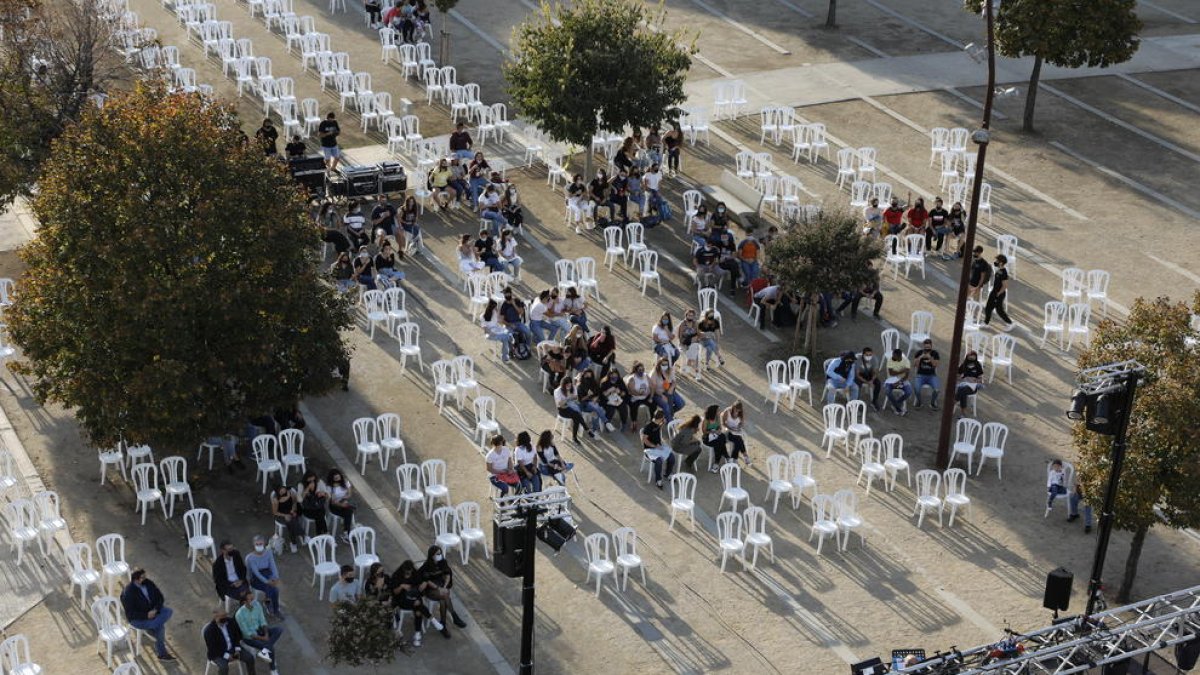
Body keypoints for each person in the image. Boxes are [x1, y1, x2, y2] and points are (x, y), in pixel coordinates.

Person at [120, 569, 176, 661]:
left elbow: (160, 597)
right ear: (136, 580)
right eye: (143, 577)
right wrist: (146, 615)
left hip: (153, 612)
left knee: (168, 611)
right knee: (160, 628)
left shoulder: (148, 583)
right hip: (138, 619)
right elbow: (131, 614)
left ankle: (153, 628)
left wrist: (155, 610)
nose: (145, 579)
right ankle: (162, 654)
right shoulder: (128, 593)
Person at [389, 560, 442, 647]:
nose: (408, 574)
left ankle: (417, 634)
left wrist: (423, 585)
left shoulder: (415, 574)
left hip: (415, 597)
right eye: (406, 573)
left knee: (418, 611)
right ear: (403, 570)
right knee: (417, 606)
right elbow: (395, 592)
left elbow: (422, 582)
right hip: (402, 599)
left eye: (409, 572)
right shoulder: (396, 576)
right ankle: (431, 621)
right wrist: (402, 586)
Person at [418, 545, 468, 635]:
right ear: (432, 555)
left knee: (443, 599)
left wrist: (444, 587)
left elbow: (448, 574)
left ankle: (443, 625)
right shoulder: (427, 566)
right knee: (445, 595)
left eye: (440, 553)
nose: (440, 555)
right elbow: (426, 581)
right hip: (431, 589)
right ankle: (454, 616)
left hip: (441, 586)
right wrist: (439, 588)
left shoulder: (443, 562)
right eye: (437, 554)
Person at [236, 589, 283, 675]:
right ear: (244, 602)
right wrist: (263, 638)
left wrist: (266, 634)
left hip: (260, 631)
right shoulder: (239, 614)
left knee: (279, 629)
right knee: (271, 648)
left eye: (253, 598)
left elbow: (262, 621)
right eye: (251, 600)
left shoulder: (257, 605)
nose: (253, 601)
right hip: (249, 638)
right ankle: (273, 669)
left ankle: (264, 651)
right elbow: (247, 633)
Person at [204, 607, 257, 675]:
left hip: (233, 649)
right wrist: (227, 656)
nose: (225, 618)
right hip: (218, 654)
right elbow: (213, 649)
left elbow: (237, 636)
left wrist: (237, 649)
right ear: (216, 617)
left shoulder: (230, 621)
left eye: (226, 615)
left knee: (250, 658)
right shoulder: (209, 631)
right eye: (222, 617)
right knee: (224, 667)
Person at [245, 535, 282, 618]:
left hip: (267, 575)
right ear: (253, 545)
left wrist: (276, 577)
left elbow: (273, 566)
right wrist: (267, 581)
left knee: (275, 590)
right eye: (257, 544)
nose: (259, 546)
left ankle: (274, 608)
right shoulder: (250, 558)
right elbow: (256, 572)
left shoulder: (268, 552)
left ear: (264, 543)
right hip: (256, 579)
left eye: (260, 544)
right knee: (273, 589)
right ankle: (269, 603)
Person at [554, 377, 593, 443]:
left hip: (571, 405)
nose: (569, 386)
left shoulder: (573, 387)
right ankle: (586, 430)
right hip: (562, 409)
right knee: (577, 415)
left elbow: (576, 398)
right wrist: (568, 397)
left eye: (570, 384)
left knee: (576, 417)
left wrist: (570, 397)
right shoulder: (558, 391)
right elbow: (560, 404)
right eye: (567, 385)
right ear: (563, 385)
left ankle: (575, 437)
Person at [641, 409, 675, 488]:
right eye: (663, 418)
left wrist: (662, 424)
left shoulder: (658, 424)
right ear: (661, 418)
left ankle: (667, 473)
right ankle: (658, 480)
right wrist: (654, 446)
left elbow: (657, 429)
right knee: (659, 461)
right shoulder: (648, 426)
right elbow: (644, 440)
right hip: (650, 449)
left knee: (672, 457)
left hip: (659, 447)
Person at [983, 254, 1015, 331]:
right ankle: (986, 323)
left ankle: (1010, 323)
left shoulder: (1004, 273)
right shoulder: (999, 270)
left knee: (999, 310)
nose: (995, 262)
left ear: (1001, 262)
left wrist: (998, 293)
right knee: (988, 308)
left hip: (999, 294)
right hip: (994, 292)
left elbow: (1005, 286)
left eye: (997, 261)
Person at [649, 358, 685, 423]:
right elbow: (653, 388)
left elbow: (674, 382)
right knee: (666, 405)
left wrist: (671, 388)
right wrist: (662, 395)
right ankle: (670, 422)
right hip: (657, 393)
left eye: (666, 364)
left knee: (681, 404)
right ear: (659, 364)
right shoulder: (654, 373)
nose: (664, 366)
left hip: (669, 391)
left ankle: (666, 414)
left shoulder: (670, 370)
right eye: (663, 364)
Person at [576, 369, 612, 433]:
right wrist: (588, 396)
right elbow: (580, 400)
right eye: (586, 375)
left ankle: (594, 429)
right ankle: (606, 422)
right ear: (583, 376)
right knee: (595, 407)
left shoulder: (594, 383)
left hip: (594, 403)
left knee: (596, 411)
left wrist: (596, 398)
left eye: (590, 375)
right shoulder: (580, 386)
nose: (588, 377)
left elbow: (598, 393)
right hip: (584, 405)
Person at [213, 540, 249, 605]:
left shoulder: (236, 555)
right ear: (223, 550)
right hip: (228, 585)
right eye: (229, 549)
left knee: (247, 595)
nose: (232, 551)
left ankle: (244, 611)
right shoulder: (218, 564)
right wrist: (232, 584)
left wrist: (241, 580)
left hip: (240, 581)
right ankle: (243, 613)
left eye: (232, 548)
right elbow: (218, 580)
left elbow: (243, 569)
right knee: (243, 596)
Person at [270, 484, 304, 552]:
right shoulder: (276, 499)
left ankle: (293, 543)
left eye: (283, 490)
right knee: (290, 521)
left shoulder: (290, 493)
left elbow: (294, 502)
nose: (283, 492)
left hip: (290, 511)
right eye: (281, 491)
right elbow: (275, 512)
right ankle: (302, 535)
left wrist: (293, 510)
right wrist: (285, 515)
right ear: (278, 492)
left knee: (291, 521)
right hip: (281, 514)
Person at [325, 468, 356, 542]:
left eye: (338, 477)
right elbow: (332, 502)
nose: (337, 479)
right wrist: (341, 504)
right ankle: (347, 532)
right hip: (335, 506)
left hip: (344, 502)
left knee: (348, 511)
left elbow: (349, 493)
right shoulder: (330, 487)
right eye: (335, 478)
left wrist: (344, 498)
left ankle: (346, 532)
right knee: (349, 511)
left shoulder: (345, 482)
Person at [297, 470, 329, 536]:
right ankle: (324, 533)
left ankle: (320, 534)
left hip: (318, 505)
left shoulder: (319, 482)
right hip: (308, 508)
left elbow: (327, 495)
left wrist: (323, 493)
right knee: (320, 516)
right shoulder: (301, 485)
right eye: (309, 480)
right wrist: (307, 488)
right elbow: (299, 500)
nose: (312, 482)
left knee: (319, 514)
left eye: (313, 479)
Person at [625, 361, 654, 432]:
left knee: (653, 405)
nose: (641, 371)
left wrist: (650, 397)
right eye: (639, 370)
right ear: (635, 370)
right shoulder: (632, 379)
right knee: (633, 407)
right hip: (635, 397)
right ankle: (634, 422)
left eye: (642, 369)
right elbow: (631, 391)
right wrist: (640, 394)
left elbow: (652, 387)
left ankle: (651, 421)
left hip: (645, 396)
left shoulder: (646, 376)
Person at [912, 339, 941, 410]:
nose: (927, 349)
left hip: (932, 376)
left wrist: (930, 358)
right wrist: (920, 357)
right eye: (926, 347)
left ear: (931, 346)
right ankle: (919, 402)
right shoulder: (919, 353)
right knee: (916, 389)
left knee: (937, 389)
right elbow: (915, 365)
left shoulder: (935, 353)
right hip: (920, 375)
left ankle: (932, 403)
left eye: (929, 347)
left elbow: (935, 365)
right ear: (923, 346)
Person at [955, 350, 985, 417]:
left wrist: (975, 379)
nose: (971, 360)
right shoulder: (964, 364)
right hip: (964, 383)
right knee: (963, 390)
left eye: (973, 359)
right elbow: (957, 375)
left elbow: (981, 379)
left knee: (962, 390)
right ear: (967, 358)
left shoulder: (978, 365)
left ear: (975, 358)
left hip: (973, 386)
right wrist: (962, 378)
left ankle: (954, 401)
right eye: (970, 358)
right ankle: (963, 413)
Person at [884, 348, 914, 416]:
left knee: (909, 391)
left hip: (903, 380)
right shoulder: (890, 360)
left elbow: (906, 376)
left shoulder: (906, 361)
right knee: (887, 391)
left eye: (894, 356)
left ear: (899, 356)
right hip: (891, 380)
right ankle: (898, 407)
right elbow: (891, 373)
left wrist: (899, 382)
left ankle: (896, 405)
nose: (892, 357)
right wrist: (903, 371)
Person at [701, 405, 729, 471]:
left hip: (716, 436)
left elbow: (719, 427)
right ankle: (725, 457)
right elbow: (704, 431)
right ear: (714, 412)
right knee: (719, 443)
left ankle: (717, 462)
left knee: (722, 438)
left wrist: (718, 430)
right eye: (718, 411)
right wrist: (712, 431)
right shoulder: (706, 420)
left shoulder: (717, 417)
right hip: (707, 438)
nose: (719, 412)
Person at [855, 347, 883, 411]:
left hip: (870, 374)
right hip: (861, 374)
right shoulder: (858, 360)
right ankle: (857, 402)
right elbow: (857, 374)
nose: (868, 356)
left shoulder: (874, 359)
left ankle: (874, 401)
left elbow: (875, 372)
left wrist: (872, 380)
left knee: (878, 383)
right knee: (857, 384)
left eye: (870, 355)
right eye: (867, 355)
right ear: (863, 354)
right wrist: (867, 382)